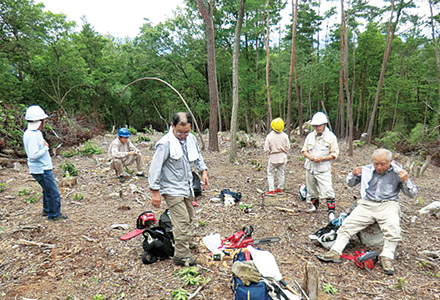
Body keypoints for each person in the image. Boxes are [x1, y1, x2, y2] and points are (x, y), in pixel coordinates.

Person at [316, 149, 418, 275]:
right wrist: (353, 174)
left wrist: (406, 181)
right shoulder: (367, 170)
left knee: (393, 228)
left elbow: (412, 194)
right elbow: (350, 183)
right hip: (367, 203)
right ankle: (335, 252)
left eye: (383, 164)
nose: (379, 167)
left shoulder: (398, 172)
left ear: (390, 161)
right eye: (376, 163)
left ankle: (387, 257)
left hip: (388, 204)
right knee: (347, 225)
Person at [148, 112, 208, 267]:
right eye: (179, 132)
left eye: (186, 132)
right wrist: (155, 192)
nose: (183, 135)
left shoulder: (191, 139)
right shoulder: (165, 144)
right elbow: (155, 168)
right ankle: (181, 255)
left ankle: (184, 242)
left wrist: (203, 171)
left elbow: (197, 156)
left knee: (188, 217)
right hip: (171, 188)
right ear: (172, 126)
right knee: (181, 221)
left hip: (186, 186)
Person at [23, 105, 68, 221]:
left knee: (46, 190)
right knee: (53, 192)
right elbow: (33, 155)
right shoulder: (33, 135)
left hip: (39, 168)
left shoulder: (29, 133)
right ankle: (54, 214)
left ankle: (47, 209)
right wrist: (45, 148)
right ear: (39, 121)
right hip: (41, 168)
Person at [301, 112, 339, 220]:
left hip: (323, 168)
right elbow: (304, 150)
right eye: (315, 126)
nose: (317, 128)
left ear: (324, 124)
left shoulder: (331, 137)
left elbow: (335, 154)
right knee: (311, 188)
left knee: (327, 189)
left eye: (319, 125)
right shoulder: (310, 136)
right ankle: (314, 205)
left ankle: (331, 210)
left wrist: (323, 158)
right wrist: (309, 156)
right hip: (310, 166)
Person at [264, 117, 290, 196]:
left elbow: (266, 148)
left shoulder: (269, 136)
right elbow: (288, 147)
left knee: (270, 173)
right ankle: (280, 188)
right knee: (281, 173)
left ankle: (271, 189)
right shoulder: (285, 136)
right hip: (282, 157)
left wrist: (269, 152)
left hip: (273, 157)